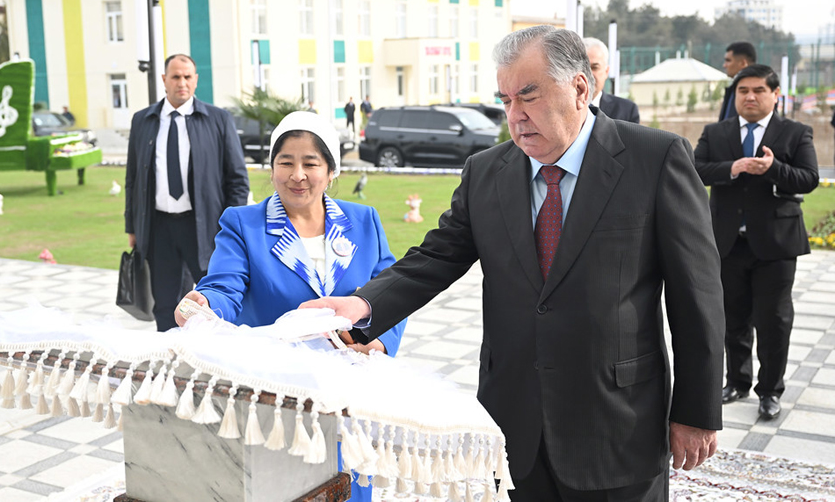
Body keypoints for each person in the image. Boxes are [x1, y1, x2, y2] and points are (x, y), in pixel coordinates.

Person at [302, 26, 725, 501]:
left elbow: (698, 295)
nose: (515, 116)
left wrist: (696, 410)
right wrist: (363, 305)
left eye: (529, 95)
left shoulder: (655, 158)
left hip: (617, 421)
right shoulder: (486, 171)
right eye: (505, 100)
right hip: (516, 422)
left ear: (579, 88)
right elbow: (437, 255)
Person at [174, 111, 406, 502]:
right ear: (272, 168)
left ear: (330, 171)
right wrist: (205, 302)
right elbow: (225, 286)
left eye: (310, 164)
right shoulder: (244, 224)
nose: (297, 175)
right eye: (286, 163)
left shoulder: (363, 221)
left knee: (350, 486)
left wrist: (379, 340)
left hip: (351, 394)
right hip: (278, 395)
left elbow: (391, 293)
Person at [694, 64, 818, 421]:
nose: (750, 97)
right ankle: (737, 381)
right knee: (732, 317)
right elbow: (695, 169)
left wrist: (773, 169)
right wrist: (732, 168)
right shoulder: (716, 132)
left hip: (776, 245)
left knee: (773, 320)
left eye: (758, 90)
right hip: (727, 242)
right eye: (743, 91)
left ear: (775, 95)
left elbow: (809, 178)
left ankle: (770, 391)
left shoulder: (795, 132)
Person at [125, 54, 250, 332]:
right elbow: (132, 178)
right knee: (165, 304)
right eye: (175, 77)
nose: (182, 82)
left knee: (214, 300)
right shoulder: (143, 120)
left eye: (187, 77)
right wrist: (131, 226)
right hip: (158, 228)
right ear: (164, 80)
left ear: (195, 80)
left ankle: (216, 353)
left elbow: (238, 180)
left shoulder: (218, 119)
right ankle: (170, 354)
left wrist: (230, 227)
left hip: (205, 227)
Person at [582, 37, 640, 123]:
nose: (589, 74)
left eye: (595, 67)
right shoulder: (563, 109)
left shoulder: (626, 111)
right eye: (583, 67)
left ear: (606, 71)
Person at [718, 42, 756, 121]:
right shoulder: (733, 88)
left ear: (743, 63)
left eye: (728, 61)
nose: (724, 65)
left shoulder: (756, 92)